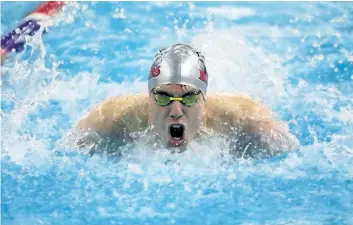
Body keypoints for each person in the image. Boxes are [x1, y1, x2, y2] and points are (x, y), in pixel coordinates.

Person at [75, 43, 298, 158]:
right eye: (163, 97)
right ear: (149, 98)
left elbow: (292, 155)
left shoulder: (246, 118)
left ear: (204, 100)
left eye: (189, 97)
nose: (176, 110)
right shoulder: (109, 118)